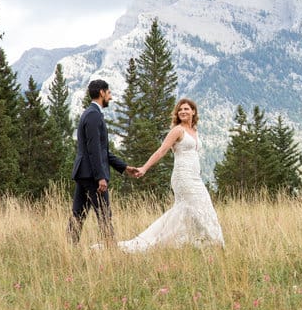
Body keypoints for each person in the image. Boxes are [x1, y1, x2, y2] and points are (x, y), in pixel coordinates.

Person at [118, 97, 224, 252]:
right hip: (183, 177)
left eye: (186, 109)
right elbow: (161, 151)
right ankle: (209, 243)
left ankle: (199, 243)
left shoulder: (194, 131)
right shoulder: (177, 131)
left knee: (197, 208)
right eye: (180, 110)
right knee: (196, 207)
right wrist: (144, 168)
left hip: (195, 177)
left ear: (193, 111)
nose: (183, 111)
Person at [69, 79, 141, 248]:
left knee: (78, 214)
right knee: (104, 215)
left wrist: (123, 167)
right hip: (92, 175)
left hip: (84, 173)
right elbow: (94, 149)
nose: (110, 96)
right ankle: (111, 252)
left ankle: (69, 248)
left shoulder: (90, 113)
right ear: (101, 92)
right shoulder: (94, 115)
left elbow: (102, 151)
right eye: (109, 93)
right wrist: (100, 176)